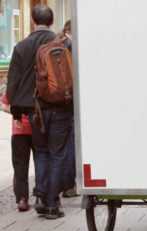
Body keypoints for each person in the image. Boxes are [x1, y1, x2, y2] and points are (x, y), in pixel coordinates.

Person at [6, 5, 73, 219]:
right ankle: (53, 203)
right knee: (58, 154)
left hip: (34, 110)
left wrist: (16, 114)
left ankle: (42, 198)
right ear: (51, 22)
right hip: (61, 108)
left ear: (33, 22)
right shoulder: (64, 44)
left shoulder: (22, 46)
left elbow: (13, 82)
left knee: (42, 154)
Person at [1, 88, 33, 212]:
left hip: (19, 130)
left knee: (20, 165)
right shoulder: (34, 80)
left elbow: (3, 106)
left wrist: (16, 114)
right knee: (42, 162)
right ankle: (43, 197)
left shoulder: (13, 85)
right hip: (36, 128)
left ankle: (22, 199)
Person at [59, 19, 77, 198]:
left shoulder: (54, 43)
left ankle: (51, 188)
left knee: (56, 147)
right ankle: (69, 185)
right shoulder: (70, 46)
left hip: (52, 102)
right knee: (71, 142)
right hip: (70, 101)